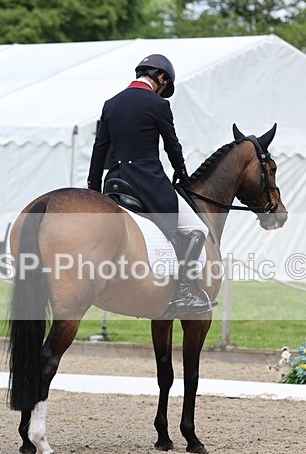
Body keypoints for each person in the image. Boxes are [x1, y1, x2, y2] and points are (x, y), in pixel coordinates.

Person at [87, 54, 214, 314]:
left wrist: (94, 188)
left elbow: (99, 150)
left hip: (115, 182)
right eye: (166, 85)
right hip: (147, 183)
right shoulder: (157, 104)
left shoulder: (111, 104)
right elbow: (171, 145)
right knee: (197, 229)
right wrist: (181, 172)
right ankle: (183, 293)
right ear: (162, 78)